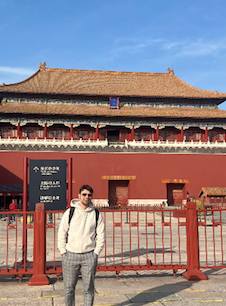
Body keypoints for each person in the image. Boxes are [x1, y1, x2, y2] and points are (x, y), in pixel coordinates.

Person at [58, 185, 105, 306]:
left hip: (89, 255)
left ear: (92, 197)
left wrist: (96, 253)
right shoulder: (70, 212)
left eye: (89, 195)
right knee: (68, 288)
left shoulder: (96, 214)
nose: (86, 197)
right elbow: (62, 232)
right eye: (84, 194)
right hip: (70, 255)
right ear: (79, 196)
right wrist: (63, 251)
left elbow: (101, 235)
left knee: (89, 289)